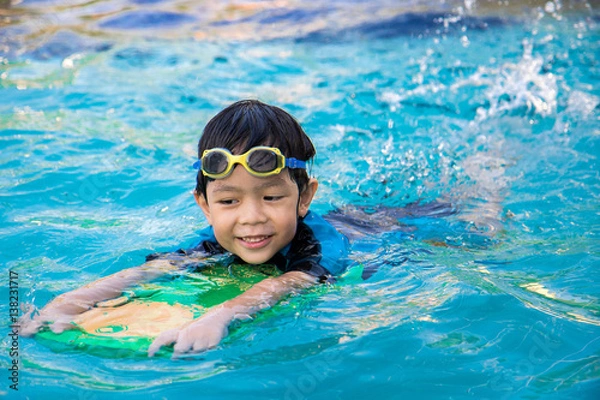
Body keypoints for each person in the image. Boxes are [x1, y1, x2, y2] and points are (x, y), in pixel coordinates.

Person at [20, 100, 351, 357]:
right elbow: (153, 270)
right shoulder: (216, 241)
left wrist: (220, 316)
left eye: (272, 196)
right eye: (228, 202)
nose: (250, 217)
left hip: (378, 228)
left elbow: (291, 283)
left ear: (304, 196)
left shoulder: (320, 244)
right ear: (204, 205)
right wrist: (70, 301)